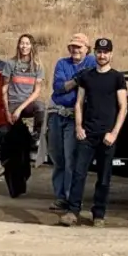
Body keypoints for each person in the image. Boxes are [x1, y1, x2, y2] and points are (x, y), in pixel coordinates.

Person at [59, 38, 128, 228]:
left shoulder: (117, 78)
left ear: (111, 54)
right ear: (95, 53)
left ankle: (99, 214)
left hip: (107, 135)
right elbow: (79, 103)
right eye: (99, 52)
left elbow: (123, 107)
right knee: (79, 173)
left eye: (106, 52)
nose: (102, 55)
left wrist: (114, 133)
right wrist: (79, 127)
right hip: (87, 133)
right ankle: (72, 212)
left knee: (104, 177)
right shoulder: (86, 76)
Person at [47, 33, 95, 213]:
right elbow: (59, 87)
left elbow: (90, 81)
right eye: (73, 47)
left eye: (79, 47)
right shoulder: (62, 63)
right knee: (57, 157)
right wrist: (76, 80)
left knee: (70, 159)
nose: (75, 50)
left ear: (87, 49)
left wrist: (73, 83)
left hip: (75, 116)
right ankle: (60, 196)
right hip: (57, 113)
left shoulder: (91, 62)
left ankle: (70, 197)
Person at [2, 34, 46, 157]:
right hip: (12, 103)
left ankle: (36, 137)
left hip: (27, 104)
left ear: (31, 46)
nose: (24, 46)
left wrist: (20, 109)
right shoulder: (11, 63)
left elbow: (37, 92)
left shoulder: (37, 66)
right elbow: (4, 88)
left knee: (41, 107)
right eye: (22, 43)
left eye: (27, 43)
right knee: (11, 139)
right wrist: (7, 110)